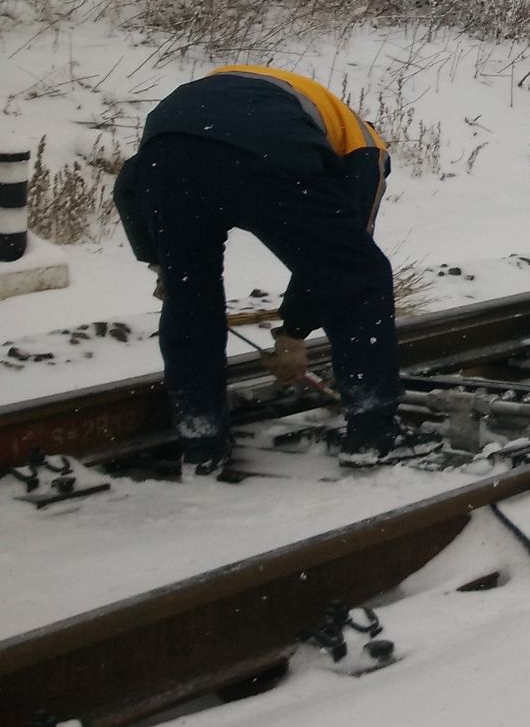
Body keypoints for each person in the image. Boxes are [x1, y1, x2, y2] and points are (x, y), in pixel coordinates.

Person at [113, 66, 412, 472]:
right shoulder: (366, 146)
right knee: (362, 277)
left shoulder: (245, 88)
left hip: (168, 155)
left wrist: (163, 264)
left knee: (190, 296)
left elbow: (129, 183)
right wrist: (294, 334)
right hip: (266, 149)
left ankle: (201, 442)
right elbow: (337, 267)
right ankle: (372, 432)